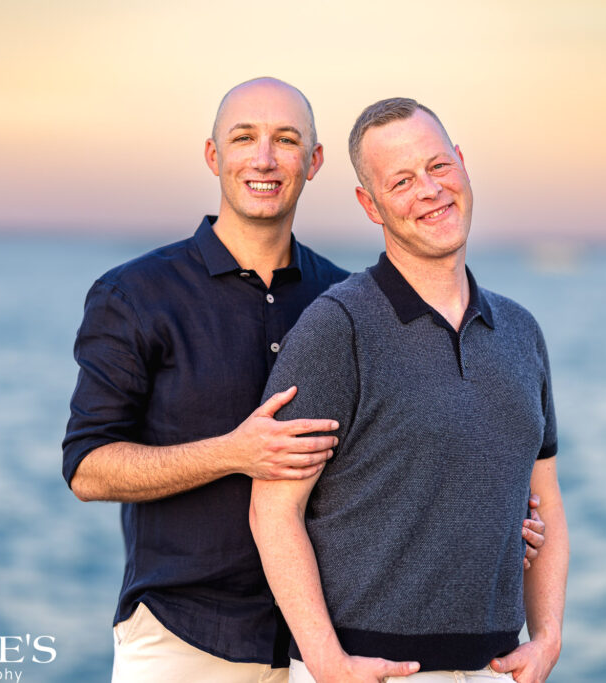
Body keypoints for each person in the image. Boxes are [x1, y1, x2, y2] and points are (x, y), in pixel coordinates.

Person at [63, 79, 547, 683]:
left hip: (325, 643)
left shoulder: (345, 302)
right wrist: (231, 454)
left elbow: (394, 459)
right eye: (244, 138)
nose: (264, 158)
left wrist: (494, 524)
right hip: (187, 635)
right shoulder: (137, 294)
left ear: (312, 162)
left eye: (286, 140)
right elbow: (86, 468)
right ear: (214, 156)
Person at [250, 98, 569, 683]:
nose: (429, 190)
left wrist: (547, 636)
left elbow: (546, 498)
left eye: (438, 166)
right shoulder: (336, 327)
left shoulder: (521, 331)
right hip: (371, 669)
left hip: (499, 666)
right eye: (401, 180)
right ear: (370, 204)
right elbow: (274, 511)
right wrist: (325, 660)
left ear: (463, 166)